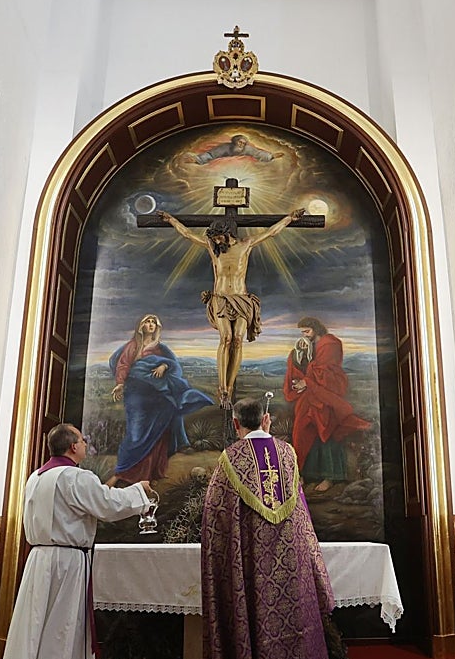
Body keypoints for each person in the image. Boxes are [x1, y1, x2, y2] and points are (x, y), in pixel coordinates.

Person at [0, 424, 152, 659]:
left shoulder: (36, 477)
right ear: (72, 447)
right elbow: (107, 505)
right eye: (82, 439)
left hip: (39, 560)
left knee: (34, 634)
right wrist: (139, 492)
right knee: (59, 633)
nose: (85, 442)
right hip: (65, 563)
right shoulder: (75, 477)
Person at [200, 397, 335, 659]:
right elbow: (300, 507)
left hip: (248, 568)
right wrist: (311, 560)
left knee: (253, 627)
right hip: (291, 563)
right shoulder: (288, 453)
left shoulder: (229, 460)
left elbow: (215, 517)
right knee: (296, 624)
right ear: (267, 420)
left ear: (236, 424)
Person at [158, 208, 305, 407]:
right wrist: (170, 219)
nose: (217, 242)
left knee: (237, 340)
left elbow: (271, 232)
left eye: (219, 237)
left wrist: (289, 217)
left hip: (242, 299)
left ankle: (231, 385)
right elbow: (187, 234)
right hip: (220, 298)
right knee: (226, 338)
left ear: (228, 233)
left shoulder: (246, 245)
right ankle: (223, 388)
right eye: (215, 239)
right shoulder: (212, 247)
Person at [108, 314, 213, 486]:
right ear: (141, 326)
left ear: (157, 327)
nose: (150, 325)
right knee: (136, 434)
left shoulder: (161, 349)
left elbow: (175, 366)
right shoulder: (133, 346)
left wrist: (164, 365)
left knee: (159, 432)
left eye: (153, 322)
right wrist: (120, 384)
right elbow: (123, 365)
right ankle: (124, 473)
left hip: (157, 396)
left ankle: (151, 474)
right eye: (147, 322)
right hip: (137, 395)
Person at [283, 317, 371, 492]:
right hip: (310, 397)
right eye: (302, 332)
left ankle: (331, 477)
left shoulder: (330, 343)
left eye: (307, 331)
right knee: (302, 431)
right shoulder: (309, 346)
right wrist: (299, 357)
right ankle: (305, 475)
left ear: (315, 329)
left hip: (327, 397)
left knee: (327, 430)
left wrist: (307, 381)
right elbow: (308, 368)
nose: (305, 335)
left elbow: (327, 372)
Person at [188, 134, 284, 165]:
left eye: (243, 143)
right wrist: (197, 160)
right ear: (235, 141)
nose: (242, 145)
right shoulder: (225, 147)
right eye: (240, 142)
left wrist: (271, 156)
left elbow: (258, 153)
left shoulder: (247, 149)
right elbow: (211, 155)